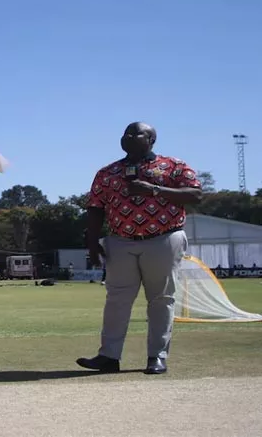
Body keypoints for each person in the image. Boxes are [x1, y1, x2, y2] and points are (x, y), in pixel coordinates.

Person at [76, 121, 202, 375]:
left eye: (137, 133)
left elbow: (195, 194)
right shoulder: (107, 172)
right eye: (126, 133)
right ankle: (108, 357)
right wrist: (92, 242)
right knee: (116, 301)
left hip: (163, 239)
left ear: (152, 139)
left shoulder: (174, 166)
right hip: (120, 241)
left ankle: (157, 356)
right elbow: (95, 207)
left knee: (161, 300)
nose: (129, 137)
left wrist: (154, 189)